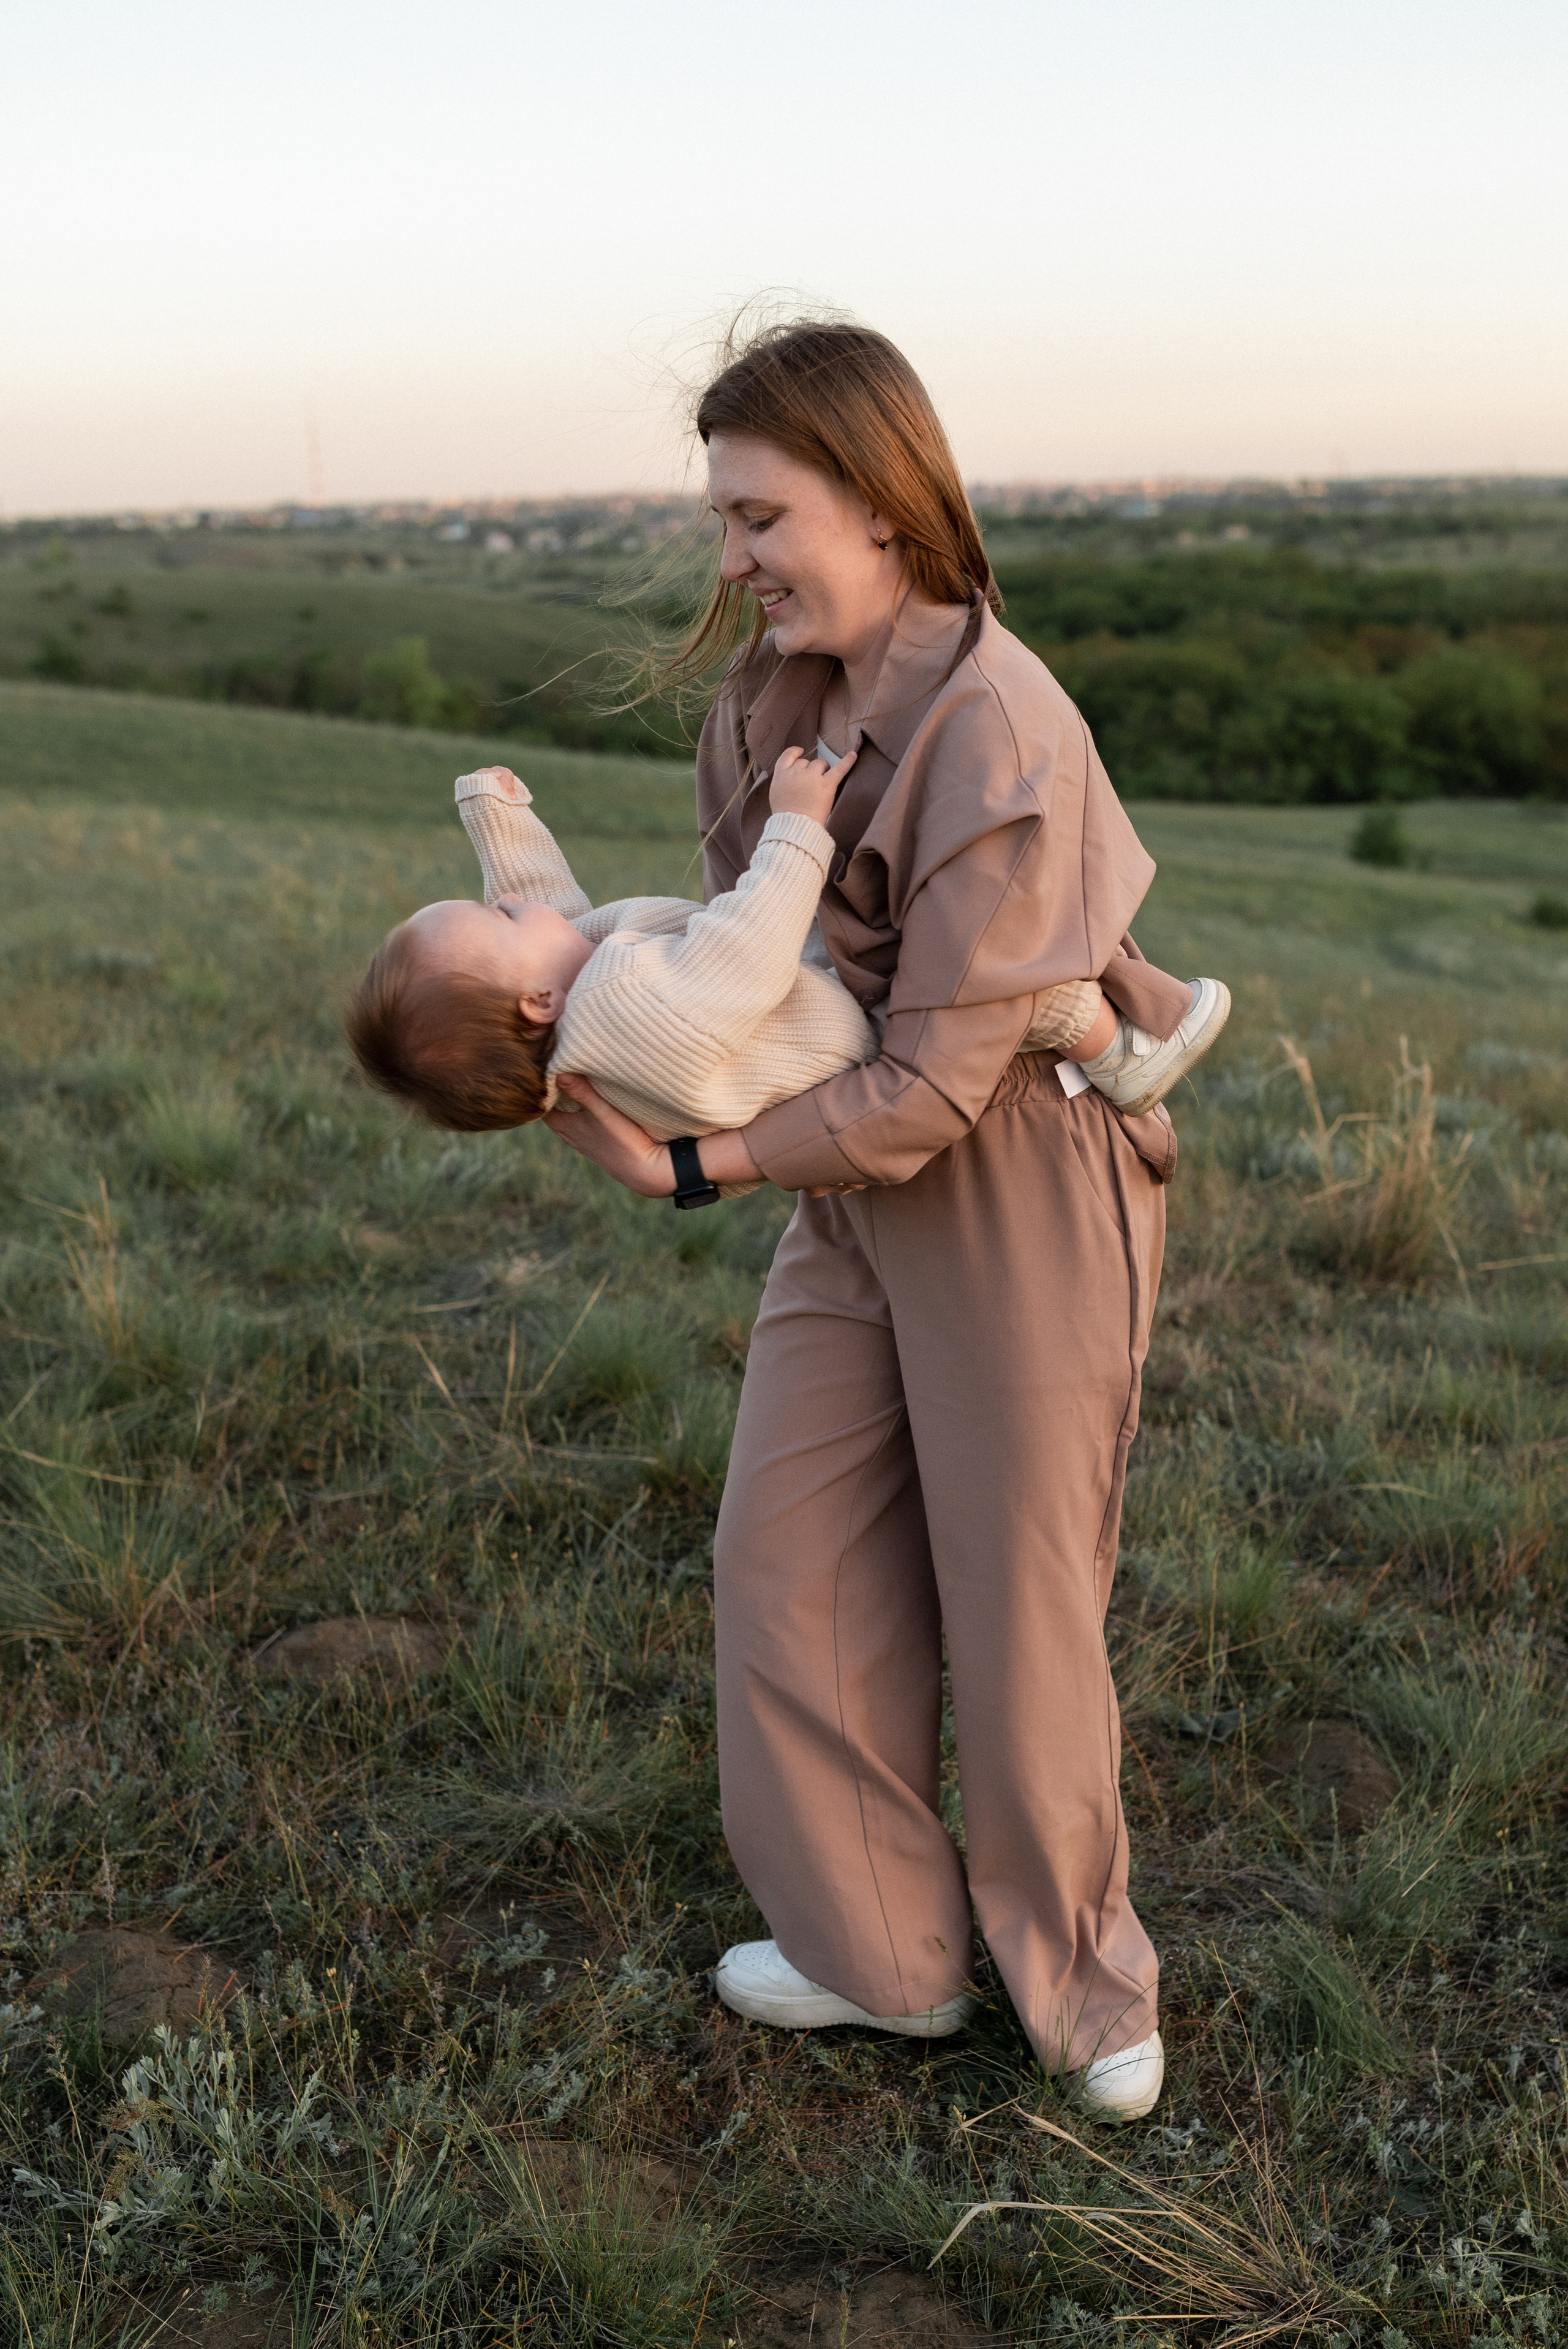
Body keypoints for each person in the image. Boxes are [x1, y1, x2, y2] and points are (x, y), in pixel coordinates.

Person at [501, 318, 1217, 2123]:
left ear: (886, 507)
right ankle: (877, 1951)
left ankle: (1083, 1986)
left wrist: (684, 1168)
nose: (732, 560)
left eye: (762, 516)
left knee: (1016, 1597)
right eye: (724, 521)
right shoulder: (764, 704)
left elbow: (926, 1090)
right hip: (847, 1178)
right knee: (789, 1551)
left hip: (1014, 1185)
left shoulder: (1002, 727)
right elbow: (774, 976)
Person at [345, 760, 1227, 1151]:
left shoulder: (581, 1002)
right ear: (536, 1002)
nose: (511, 900)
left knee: (977, 939)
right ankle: (1123, 1047)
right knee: (989, 965)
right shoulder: (617, 1009)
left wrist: (497, 816)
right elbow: (746, 953)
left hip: (819, 994)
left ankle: (1117, 1029)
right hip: (860, 1026)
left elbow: (554, 914)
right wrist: (797, 823)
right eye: (496, 916)